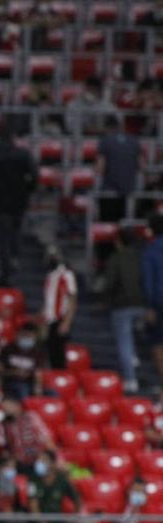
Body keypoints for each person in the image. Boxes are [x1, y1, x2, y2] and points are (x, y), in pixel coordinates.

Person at [0, 129, 37, 265]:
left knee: (4, 232)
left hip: (0, 198)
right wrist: (28, 190)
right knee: (16, 229)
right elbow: (34, 176)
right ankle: (14, 257)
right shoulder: (23, 155)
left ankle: (5, 260)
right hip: (19, 197)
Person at [102, 234, 147, 392]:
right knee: (133, 337)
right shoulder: (140, 257)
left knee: (124, 343)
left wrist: (106, 300)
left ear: (117, 242)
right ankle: (134, 357)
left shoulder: (116, 258)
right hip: (141, 305)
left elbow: (110, 282)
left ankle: (130, 379)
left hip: (122, 305)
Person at [95, 115, 142, 223]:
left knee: (107, 222)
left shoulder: (105, 141)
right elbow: (141, 166)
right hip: (128, 189)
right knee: (123, 222)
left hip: (109, 189)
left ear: (106, 128)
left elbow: (100, 168)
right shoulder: (134, 141)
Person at [42, 246, 77, 370]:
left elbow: (72, 299)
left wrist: (66, 322)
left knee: (58, 354)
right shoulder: (50, 276)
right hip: (49, 319)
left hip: (60, 318)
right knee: (49, 352)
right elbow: (48, 299)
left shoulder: (66, 274)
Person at [27, 450, 80, 522]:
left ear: (52, 463)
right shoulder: (33, 480)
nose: (39, 463)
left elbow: (76, 499)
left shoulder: (62, 480)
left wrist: (76, 517)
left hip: (57, 521)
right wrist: (41, 522)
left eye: (44, 460)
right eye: (39, 460)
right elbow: (33, 503)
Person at [0, 321, 44, 400]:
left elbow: (38, 373)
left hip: (29, 383)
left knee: (52, 393)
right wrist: (13, 372)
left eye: (29, 336)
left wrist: (38, 386)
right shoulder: (8, 349)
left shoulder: (37, 353)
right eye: (24, 335)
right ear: (18, 334)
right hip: (10, 382)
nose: (26, 337)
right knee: (22, 389)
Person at [143, 214, 163, 383]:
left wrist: (149, 307)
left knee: (157, 343)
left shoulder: (151, 251)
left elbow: (148, 282)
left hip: (159, 303)